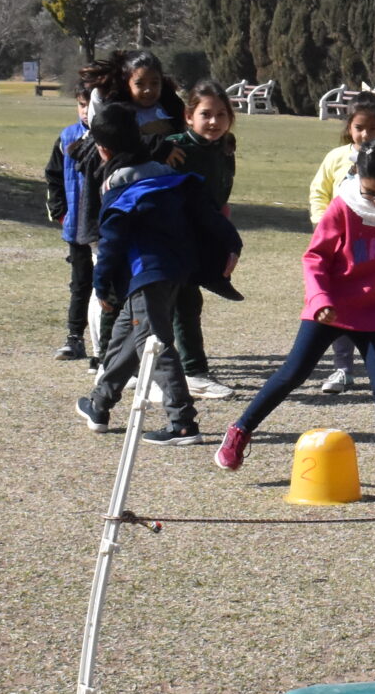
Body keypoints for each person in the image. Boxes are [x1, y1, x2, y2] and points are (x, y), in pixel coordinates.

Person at [215, 134, 375, 494]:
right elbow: (314, 258)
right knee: (293, 372)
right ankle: (239, 431)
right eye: (372, 193)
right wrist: (319, 300)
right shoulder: (344, 207)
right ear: (357, 177)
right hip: (332, 306)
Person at [77, 107, 243, 446]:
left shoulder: (118, 187)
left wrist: (101, 286)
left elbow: (111, 243)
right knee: (127, 334)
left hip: (147, 276)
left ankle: (182, 422)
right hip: (176, 271)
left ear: (102, 149)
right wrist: (232, 243)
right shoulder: (166, 174)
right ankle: (100, 403)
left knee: (155, 343)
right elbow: (208, 213)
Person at [306, 98, 375, 394]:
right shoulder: (336, 158)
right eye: (360, 127)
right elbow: (319, 190)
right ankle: (342, 369)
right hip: (338, 246)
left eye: (374, 128)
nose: (366, 134)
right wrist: (321, 222)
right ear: (349, 127)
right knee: (338, 307)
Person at [168, 82, 239, 402]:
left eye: (221, 114)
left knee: (184, 302)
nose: (214, 121)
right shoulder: (174, 148)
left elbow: (221, 200)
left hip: (204, 238)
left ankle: (131, 366)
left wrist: (224, 237)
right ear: (188, 116)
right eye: (205, 114)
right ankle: (194, 372)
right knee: (182, 302)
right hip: (171, 237)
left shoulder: (224, 150)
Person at [42, 87, 103, 361]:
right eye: (81, 105)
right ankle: (74, 338)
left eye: (90, 105)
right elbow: (53, 177)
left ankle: (106, 349)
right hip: (76, 226)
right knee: (80, 284)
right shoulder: (67, 137)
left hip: (103, 229)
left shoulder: (112, 137)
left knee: (106, 287)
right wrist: (61, 213)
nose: (86, 111)